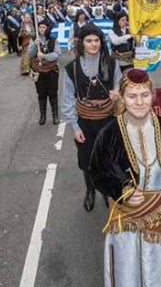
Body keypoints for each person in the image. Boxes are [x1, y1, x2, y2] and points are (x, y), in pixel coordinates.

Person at [90, 69, 161, 287]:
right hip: (125, 218)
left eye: (144, 95)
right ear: (122, 97)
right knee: (126, 273)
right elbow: (97, 171)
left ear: (153, 95)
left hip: (160, 218)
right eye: (132, 96)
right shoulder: (109, 133)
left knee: (159, 273)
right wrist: (121, 190)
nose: (139, 102)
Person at [61, 23, 122, 211]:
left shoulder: (111, 63)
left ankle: (105, 191)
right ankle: (90, 190)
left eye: (96, 40)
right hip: (85, 122)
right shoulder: (71, 68)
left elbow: (119, 84)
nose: (93, 44)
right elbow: (67, 100)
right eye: (89, 41)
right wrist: (75, 127)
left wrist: (117, 93)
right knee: (87, 161)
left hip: (107, 120)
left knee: (107, 159)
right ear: (82, 43)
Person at [28, 20, 61, 125]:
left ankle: (55, 115)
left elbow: (57, 54)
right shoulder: (34, 40)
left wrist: (45, 56)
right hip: (39, 71)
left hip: (51, 70)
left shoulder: (53, 40)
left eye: (44, 27)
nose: (42, 29)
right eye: (40, 27)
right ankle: (43, 116)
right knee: (41, 94)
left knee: (53, 93)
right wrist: (34, 45)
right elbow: (29, 54)